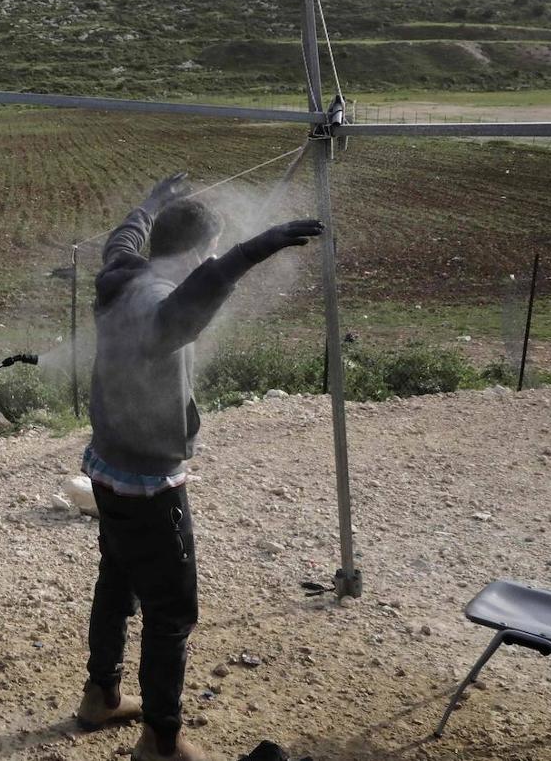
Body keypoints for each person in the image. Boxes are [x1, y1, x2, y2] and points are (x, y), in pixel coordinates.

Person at [75, 174, 323, 761]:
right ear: (191, 254)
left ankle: (101, 696)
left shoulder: (120, 275)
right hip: (147, 483)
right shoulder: (156, 306)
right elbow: (193, 299)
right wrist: (253, 250)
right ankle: (163, 740)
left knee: (117, 581)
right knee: (171, 612)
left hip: (107, 468)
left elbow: (123, 235)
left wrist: (152, 201)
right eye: (206, 252)